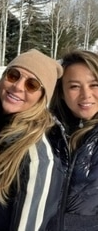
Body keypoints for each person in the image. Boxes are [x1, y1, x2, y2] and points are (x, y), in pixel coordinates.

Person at [0, 49, 63, 230]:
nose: (18, 86)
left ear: (42, 97)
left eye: (32, 85)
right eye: (14, 75)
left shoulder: (37, 154)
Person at [47, 50, 98, 230]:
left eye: (94, 84)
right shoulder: (45, 133)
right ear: (61, 91)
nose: (86, 95)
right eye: (74, 86)